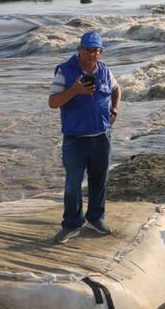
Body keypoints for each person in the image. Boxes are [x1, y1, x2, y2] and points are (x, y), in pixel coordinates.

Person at [48, 31, 120, 243]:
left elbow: (117, 89)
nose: (92, 54)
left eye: (96, 50)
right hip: (75, 139)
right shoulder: (65, 71)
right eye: (88, 49)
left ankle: (96, 218)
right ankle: (71, 224)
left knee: (99, 181)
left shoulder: (105, 70)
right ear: (79, 49)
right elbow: (53, 102)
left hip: (101, 137)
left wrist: (115, 108)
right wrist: (75, 90)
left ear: (100, 52)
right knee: (73, 184)